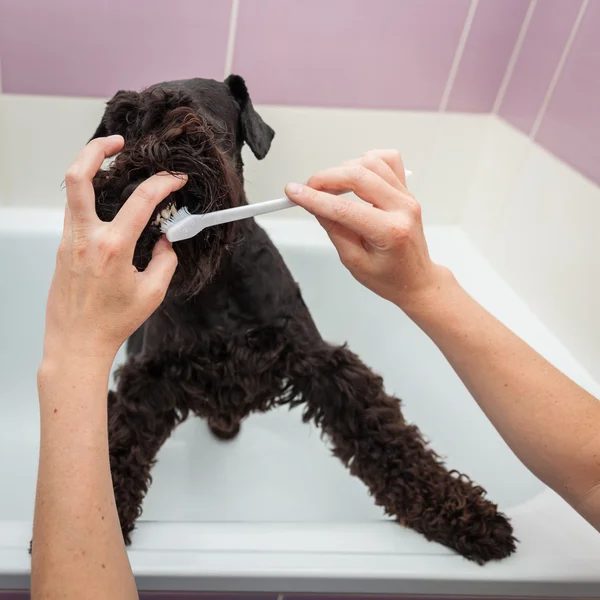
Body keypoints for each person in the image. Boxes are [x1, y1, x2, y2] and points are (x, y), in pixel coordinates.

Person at [32, 138, 600, 599]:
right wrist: (426, 288)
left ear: (243, 138)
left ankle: (431, 499)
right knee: (149, 393)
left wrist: (74, 351)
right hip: (169, 343)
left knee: (322, 376)